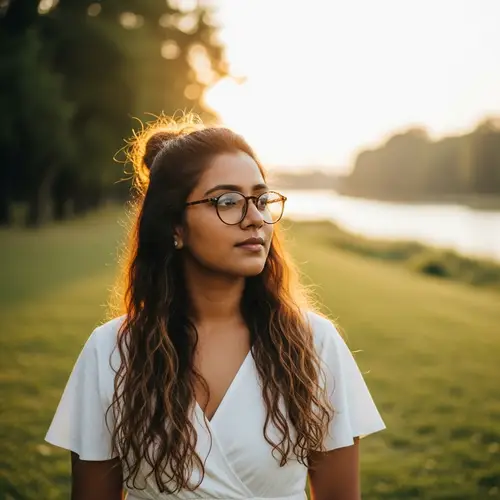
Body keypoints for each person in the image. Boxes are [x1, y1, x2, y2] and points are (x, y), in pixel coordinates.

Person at [45, 116, 386, 500]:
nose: (255, 219)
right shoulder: (111, 351)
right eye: (228, 202)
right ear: (175, 225)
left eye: (260, 199)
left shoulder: (314, 344)